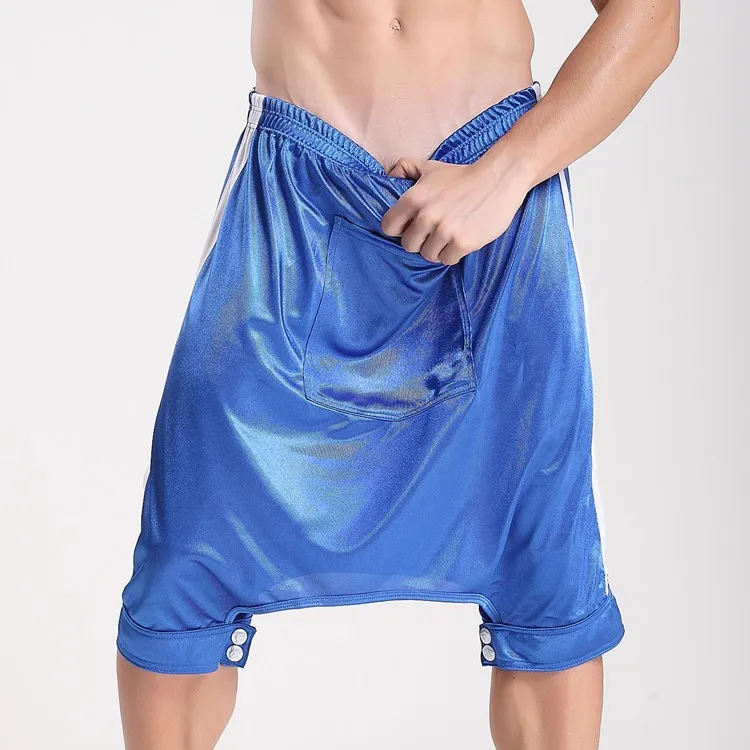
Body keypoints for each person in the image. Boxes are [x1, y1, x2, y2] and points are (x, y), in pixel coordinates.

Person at [116, 1, 680, 748]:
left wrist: (505, 175)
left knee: (544, 572)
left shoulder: (502, 181)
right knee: (184, 566)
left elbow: (651, 15)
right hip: (292, 201)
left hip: (496, 205)